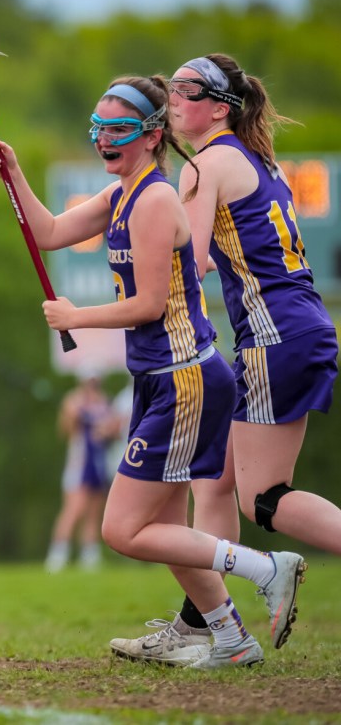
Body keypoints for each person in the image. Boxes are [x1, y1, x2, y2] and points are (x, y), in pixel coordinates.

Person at [0, 74, 306, 669]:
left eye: (120, 128)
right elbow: (48, 233)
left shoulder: (155, 200)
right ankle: (232, 641)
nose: (104, 138)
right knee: (166, 528)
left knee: (123, 530)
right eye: (97, 127)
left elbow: (150, 304)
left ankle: (266, 568)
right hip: (162, 379)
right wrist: (14, 174)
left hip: (185, 380)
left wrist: (78, 316)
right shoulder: (119, 195)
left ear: (153, 135)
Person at [110, 53, 338, 665]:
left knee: (263, 498)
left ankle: (262, 577)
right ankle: (201, 626)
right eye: (174, 89)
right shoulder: (250, 156)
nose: (174, 99)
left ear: (219, 108)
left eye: (189, 91)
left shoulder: (203, 165)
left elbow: (190, 261)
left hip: (274, 336)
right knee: (213, 483)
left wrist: (136, 252)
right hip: (294, 328)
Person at [44, 374, 118, 572]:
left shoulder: (105, 401)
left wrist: (106, 430)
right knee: (73, 509)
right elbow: (64, 430)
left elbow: (114, 430)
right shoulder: (73, 400)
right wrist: (73, 415)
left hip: (100, 462)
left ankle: (90, 556)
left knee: (94, 511)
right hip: (80, 462)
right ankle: (57, 555)